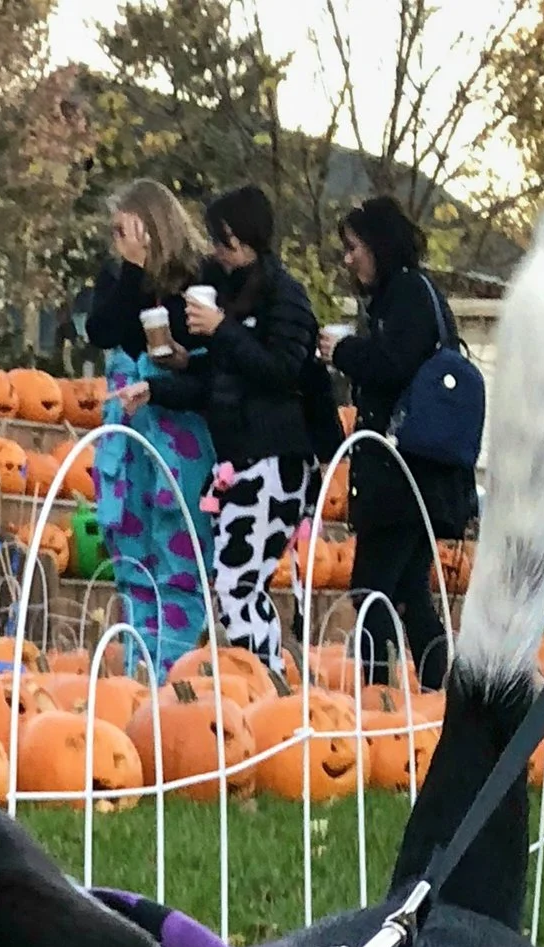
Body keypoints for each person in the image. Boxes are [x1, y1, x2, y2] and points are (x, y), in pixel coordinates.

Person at [145, 184, 321, 680]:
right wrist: (160, 384)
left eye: (226, 242)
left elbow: (284, 371)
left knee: (237, 584)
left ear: (247, 239)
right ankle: (265, 679)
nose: (219, 253)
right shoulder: (227, 294)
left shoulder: (285, 296)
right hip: (237, 461)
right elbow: (216, 383)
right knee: (234, 583)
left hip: (274, 460)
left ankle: (268, 684)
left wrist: (223, 329)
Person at [328, 195, 470, 686]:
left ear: (379, 246)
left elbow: (393, 366)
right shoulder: (415, 294)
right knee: (407, 588)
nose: (349, 259)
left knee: (371, 590)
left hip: (403, 472)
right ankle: (435, 689)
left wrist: (343, 350)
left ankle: (378, 691)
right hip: (423, 475)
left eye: (354, 248)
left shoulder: (407, 296)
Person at [79, 179, 217, 677]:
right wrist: (132, 269)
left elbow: (203, 356)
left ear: (153, 225)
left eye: (125, 229)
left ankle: (172, 677)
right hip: (128, 436)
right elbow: (104, 331)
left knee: (178, 559)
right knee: (132, 558)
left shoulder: (198, 280)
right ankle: (140, 672)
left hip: (180, 439)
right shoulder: (117, 277)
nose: (116, 240)